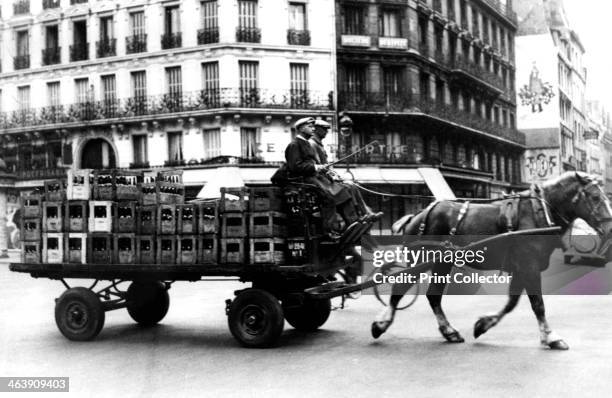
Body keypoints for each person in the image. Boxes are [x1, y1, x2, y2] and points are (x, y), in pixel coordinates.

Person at [309, 119, 381, 223]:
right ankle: (353, 219)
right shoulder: (312, 144)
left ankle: (365, 213)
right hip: (322, 181)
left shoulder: (318, 144)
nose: (326, 132)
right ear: (317, 130)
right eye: (324, 129)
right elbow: (318, 166)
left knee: (352, 186)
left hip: (326, 179)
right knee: (344, 189)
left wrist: (333, 174)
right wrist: (329, 174)